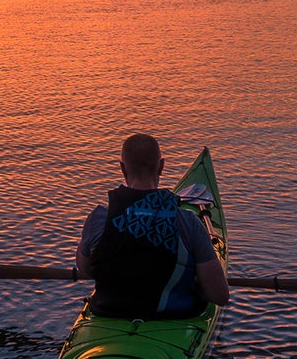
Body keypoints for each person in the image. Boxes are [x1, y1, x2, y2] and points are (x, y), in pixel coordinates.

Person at [75, 133, 230, 318]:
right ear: (161, 167)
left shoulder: (98, 219)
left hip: (109, 312)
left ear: (122, 168)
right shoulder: (189, 223)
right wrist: (194, 285)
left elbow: (86, 270)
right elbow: (219, 295)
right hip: (174, 316)